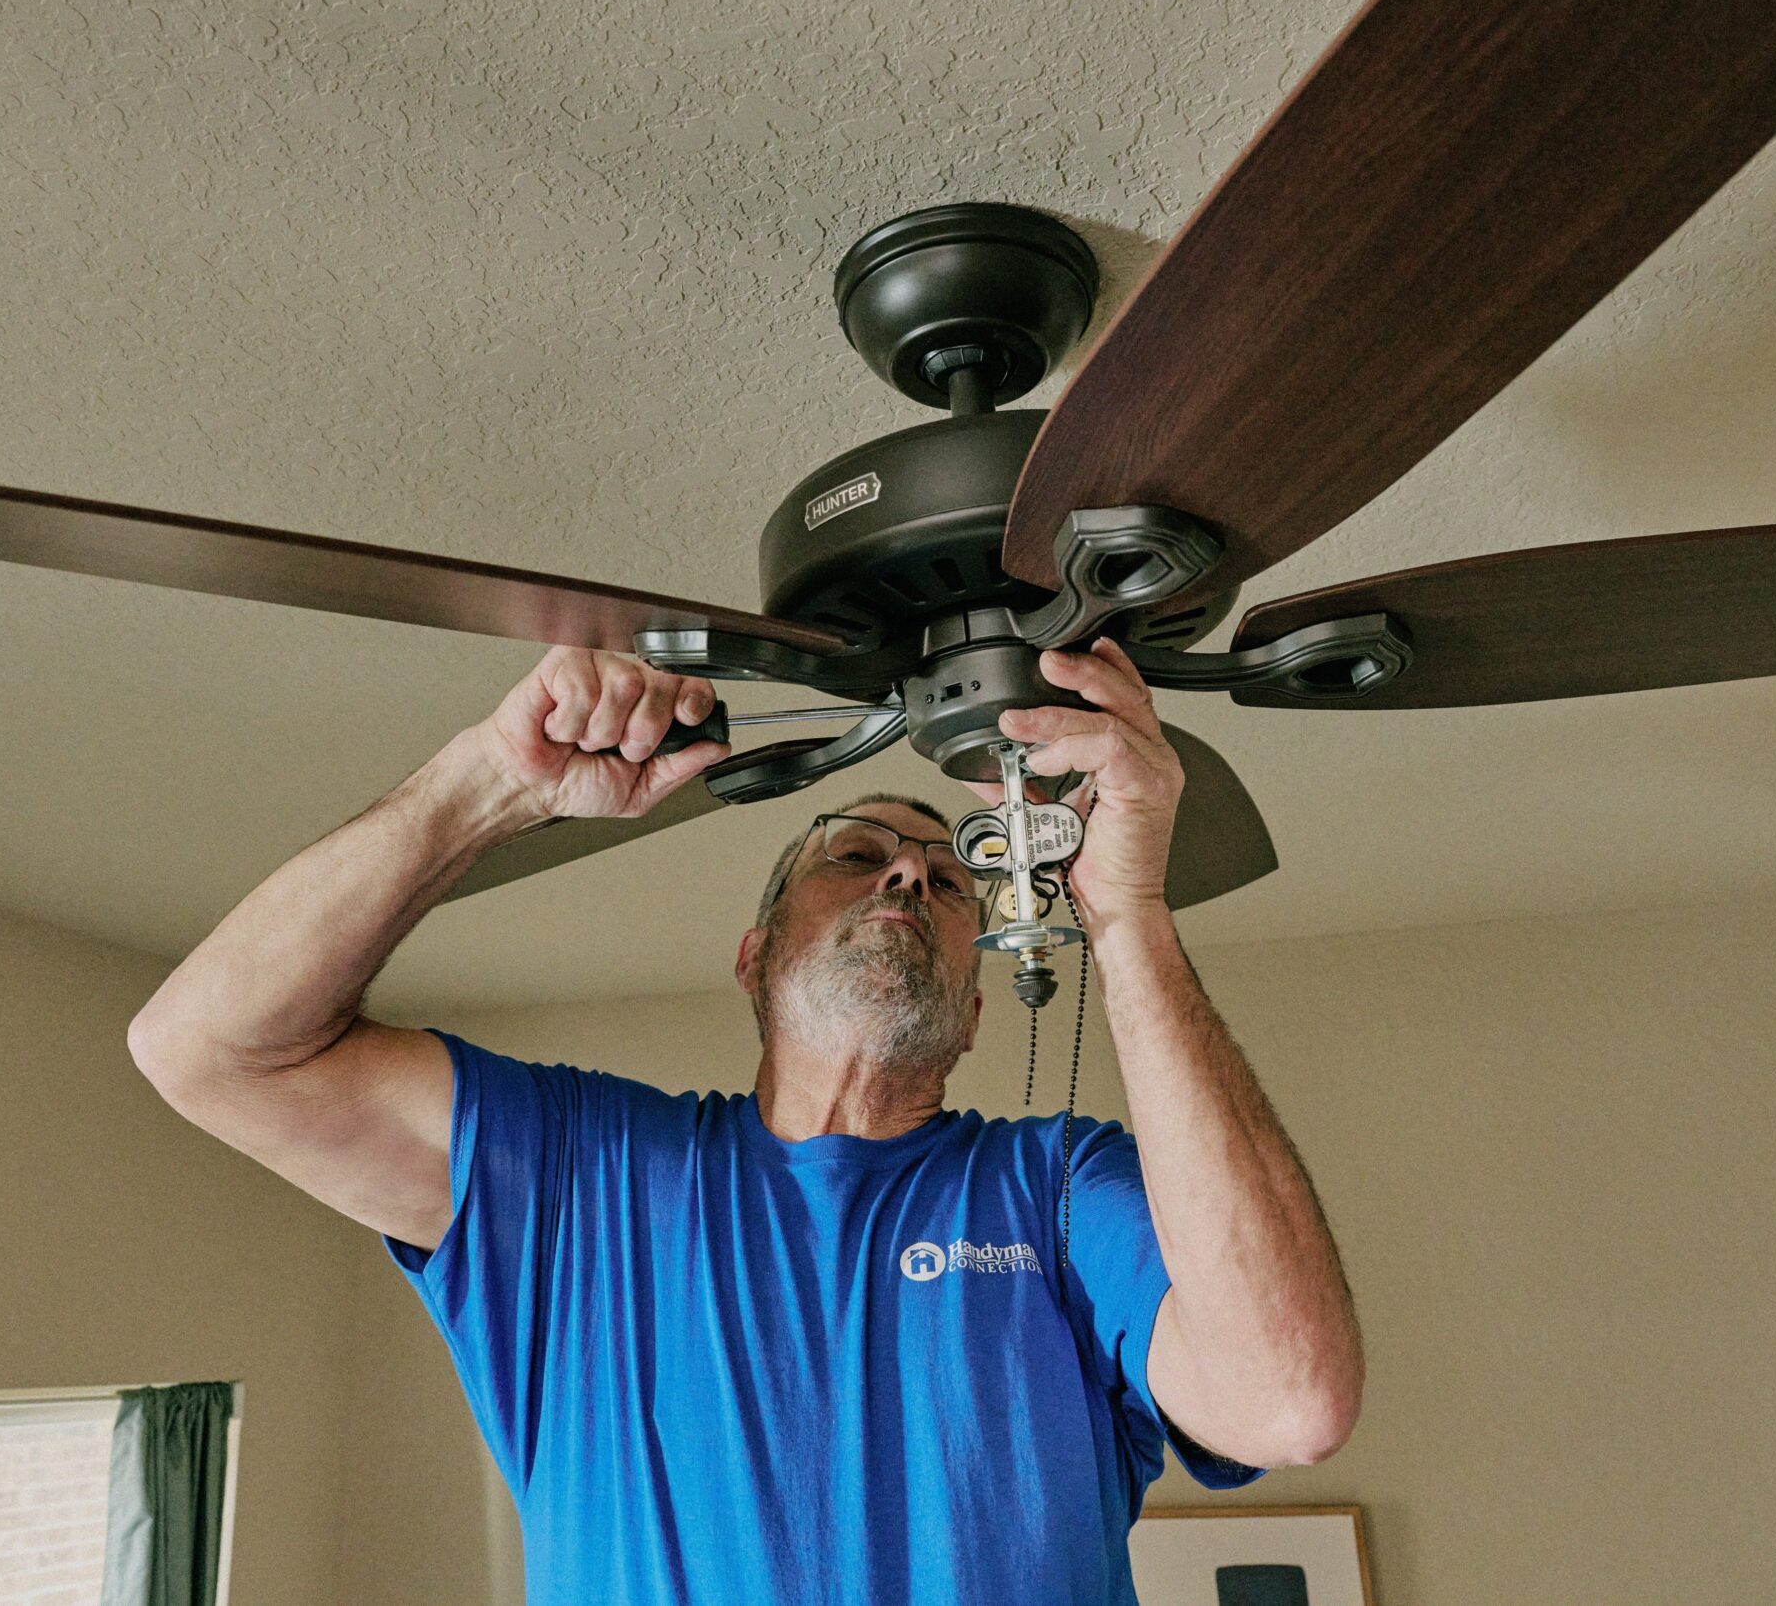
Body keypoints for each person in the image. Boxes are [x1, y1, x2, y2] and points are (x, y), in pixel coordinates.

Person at [129, 638, 1363, 1604]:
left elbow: (1288, 1400)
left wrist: (1127, 915)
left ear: (979, 1007)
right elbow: (204, 1049)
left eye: (947, 880)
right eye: (859, 852)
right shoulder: (580, 1176)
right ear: (754, 955)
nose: (908, 877)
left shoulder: (1052, 1188)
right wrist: (490, 784)